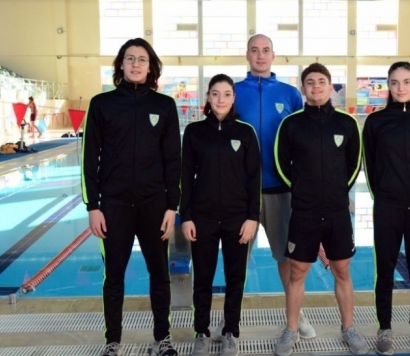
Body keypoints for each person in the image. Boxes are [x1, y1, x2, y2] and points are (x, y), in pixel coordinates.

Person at [81, 38, 181, 356]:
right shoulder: (101, 104)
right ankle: (113, 342)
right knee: (113, 277)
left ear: (151, 67)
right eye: (130, 58)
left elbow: (173, 160)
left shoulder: (164, 106)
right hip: (114, 205)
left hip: (154, 204)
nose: (136, 64)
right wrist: (93, 206)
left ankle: (162, 338)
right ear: (121, 64)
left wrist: (172, 206)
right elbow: (89, 159)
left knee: (159, 274)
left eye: (142, 59)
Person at [273, 63, 367, 356]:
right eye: (310, 82)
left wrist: (338, 193)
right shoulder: (291, 124)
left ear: (330, 86)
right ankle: (291, 330)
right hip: (304, 211)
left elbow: (355, 164)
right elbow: (280, 164)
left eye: (321, 81)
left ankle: (348, 328)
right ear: (303, 89)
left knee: (342, 270)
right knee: (297, 271)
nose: (316, 86)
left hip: (337, 211)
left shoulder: (346, 123)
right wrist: (301, 191)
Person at [231, 34, 315, 339]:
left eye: (265, 50)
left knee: (287, 259)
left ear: (273, 55)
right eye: (254, 50)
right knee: (237, 261)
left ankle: (296, 316)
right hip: (242, 193)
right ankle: (230, 324)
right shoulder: (233, 92)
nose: (260, 55)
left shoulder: (290, 94)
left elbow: (303, 140)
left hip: (281, 189)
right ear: (247, 54)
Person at [180, 74, 261, 356]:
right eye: (215, 94)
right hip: (202, 217)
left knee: (235, 278)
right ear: (208, 97)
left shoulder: (245, 132)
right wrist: (186, 216)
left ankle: (230, 332)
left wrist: (253, 217)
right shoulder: (194, 132)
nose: (221, 99)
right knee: (202, 278)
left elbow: (254, 177)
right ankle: (201, 332)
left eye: (227, 94)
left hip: (237, 218)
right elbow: (185, 177)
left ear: (234, 98)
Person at [362, 61, 410, 355]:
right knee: (385, 270)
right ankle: (384, 327)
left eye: (406, 81)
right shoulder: (376, 122)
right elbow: (370, 166)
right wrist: (383, 197)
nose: (401, 87)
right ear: (389, 86)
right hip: (388, 207)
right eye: (394, 82)